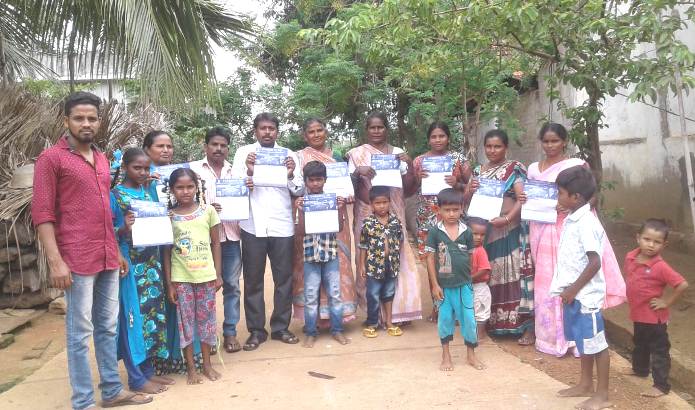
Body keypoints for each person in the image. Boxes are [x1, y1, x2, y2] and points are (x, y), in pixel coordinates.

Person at [32, 91, 151, 409]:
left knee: (108, 326)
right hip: (75, 257)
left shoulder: (101, 158)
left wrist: (117, 251)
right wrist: (55, 261)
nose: (86, 123)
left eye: (92, 118)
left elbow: (104, 211)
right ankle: (83, 401)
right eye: (79, 118)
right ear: (66, 121)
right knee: (79, 331)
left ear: (99, 122)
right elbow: (42, 213)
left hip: (107, 255)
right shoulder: (51, 159)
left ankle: (111, 390)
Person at [522, 123, 625, 357]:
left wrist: (572, 209)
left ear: (564, 142)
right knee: (546, 281)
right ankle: (550, 337)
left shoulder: (575, 166)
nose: (550, 145)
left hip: (566, 228)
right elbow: (531, 196)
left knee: (570, 275)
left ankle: (575, 340)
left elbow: (591, 196)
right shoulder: (533, 168)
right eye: (546, 141)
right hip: (540, 228)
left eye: (555, 141)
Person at [231, 113, 304, 350]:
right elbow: (234, 184)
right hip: (253, 224)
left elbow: (299, 188)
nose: (267, 132)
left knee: (284, 278)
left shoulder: (288, 154)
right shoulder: (244, 153)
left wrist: (290, 174)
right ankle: (256, 331)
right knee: (253, 280)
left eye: (271, 128)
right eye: (263, 128)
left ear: (277, 131)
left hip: (282, 224)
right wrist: (249, 173)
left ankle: (281, 327)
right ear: (255, 131)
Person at [347, 111, 422, 324]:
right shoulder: (356, 155)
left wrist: (409, 166)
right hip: (366, 214)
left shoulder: (398, 153)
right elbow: (348, 189)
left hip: (394, 212)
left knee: (398, 258)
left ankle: (400, 311)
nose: (376, 131)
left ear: (386, 129)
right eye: (372, 127)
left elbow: (409, 188)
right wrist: (357, 173)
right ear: (366, 130)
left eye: (380, 127)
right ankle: (374, 315)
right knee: (369, 260)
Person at [110, 148, 173, 394]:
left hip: (151, 265)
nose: (143, 172)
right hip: (130, 266)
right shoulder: (116, 194)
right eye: (137, 168)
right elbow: (108, 232)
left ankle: (147, 371)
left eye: (147, 168)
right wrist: (124, 228)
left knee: (150, 320)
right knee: (132, 320)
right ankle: (135, 377)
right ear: (125, 167)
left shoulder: (147, 192)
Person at [464, 129, 534, 345]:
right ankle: (490, 322)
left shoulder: (514, 168)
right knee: (489, 275)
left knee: (512, 274)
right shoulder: (478, 170)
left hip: (508, 231)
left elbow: (522, 198)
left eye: (497, 146)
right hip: (485, 233)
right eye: (489, 146)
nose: (492, 150)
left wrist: (507, 218)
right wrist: (470, 188)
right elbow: (465, 199)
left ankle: (521, 325)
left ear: (506, 148)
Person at [550, 165, 611, 410]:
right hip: (573, 294)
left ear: (575, 197)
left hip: (586, 297)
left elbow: (594, 262)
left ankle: (602, 394)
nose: (558, 197)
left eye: (560, 193)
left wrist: (574, 290)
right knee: (583, 341)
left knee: (597, 343)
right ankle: (585, 384)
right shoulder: (573, 218)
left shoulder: (586, 223)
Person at [291, 118, 357, 327]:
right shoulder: (298, 157)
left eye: (320, 130)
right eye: (311, 132)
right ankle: (313, 322)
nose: (316, 134)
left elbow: (347, 186)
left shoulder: (337, 157)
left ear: (326, 132)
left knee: (338, 268)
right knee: (309, 273)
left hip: (335, 222)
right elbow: (295, 187)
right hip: (309, 222)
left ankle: (338, 319)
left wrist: (347, 197)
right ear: (305, 136)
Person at [162, 168, 223, 385]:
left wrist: (218, 274)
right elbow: (167, 251)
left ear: (197, 187)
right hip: (182, 278)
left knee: (207, 322)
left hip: (206, 276)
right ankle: (191, 368)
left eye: (190, 187)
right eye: (180, 187)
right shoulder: (169, 217)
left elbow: (216, 244)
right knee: (185, 324)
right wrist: (170, 283)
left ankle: (207, 365)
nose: (185, 191)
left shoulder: (208, 211)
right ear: (172, 190)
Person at [190, 127, 243, 354]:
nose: (219, 149)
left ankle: (230, 333)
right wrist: (205, 208)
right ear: (206, 146)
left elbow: (245, 200)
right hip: (201, 241)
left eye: (223, 145)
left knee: (232, 286)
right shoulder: (192, 170)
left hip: (230, 237)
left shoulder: (236, 172)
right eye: (214, 144)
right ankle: (207, 338)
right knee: (203, 289)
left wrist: (247, 189)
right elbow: (181, 198)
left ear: (228, 148)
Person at [412, 121, 470, 322]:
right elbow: (412, 188)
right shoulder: (419, 161)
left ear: (448, 138)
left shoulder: (458, 159)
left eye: (441, 136)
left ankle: (456, 308)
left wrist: (458, 184)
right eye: (433, 137)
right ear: (428, 139)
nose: (438, 140)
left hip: (452, 218)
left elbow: (472, 185)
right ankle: (439, 307)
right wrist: (418, 178)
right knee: (432, 260)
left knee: (454, 260)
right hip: (427, 218)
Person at [624, 219, 688, 398]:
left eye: (657, 242)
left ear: (664, 245)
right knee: (640, 343)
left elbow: (682, 284)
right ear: (638, 238)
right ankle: (640, 370)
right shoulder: (630, 257)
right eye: (647, 239)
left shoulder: (661, 267)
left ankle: (661, 386)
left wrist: (666, 302)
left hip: (655, 319)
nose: (651, 245)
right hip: (638, 314)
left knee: (659, 351)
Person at [425, 189, 484, 372]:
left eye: (455, 210)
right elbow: (429, 258)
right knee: (445, 320)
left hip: (464, 285)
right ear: (439, 210)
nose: (451, 214)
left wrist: (468, 278)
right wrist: (435, 284)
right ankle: (446, 355)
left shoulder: (467, 232)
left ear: (461, 209)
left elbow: (470, 256)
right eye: (447, 210)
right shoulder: (435, 232)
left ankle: (471, 355)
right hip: (443, 286)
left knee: (469, 320)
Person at [295, 161, 349, 347]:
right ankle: (311, 332)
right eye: (311, 180)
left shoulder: (331, 200)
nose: (315, 183)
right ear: (305, 181)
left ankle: (337, 330)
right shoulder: (303, 202)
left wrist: (340, 209)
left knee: (335, 294)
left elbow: (339, 227)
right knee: (311, 296)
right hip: (310, 255)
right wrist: (300, 211)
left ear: (325, 180)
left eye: (319, 179)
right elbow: (301, 231)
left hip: (330, 253)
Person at [358, 186, 404, 338]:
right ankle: (372, 323)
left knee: (389, 293)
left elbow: (400, 241)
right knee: (373, 294)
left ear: (389, 202)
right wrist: (362, 265)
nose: (382, 206)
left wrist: (396, 258)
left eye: (385, 202)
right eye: (378, 203)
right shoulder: (368, 223)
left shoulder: (395, 221)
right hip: (373, 266)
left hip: (392, 265)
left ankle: (389, 322)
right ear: (371, 204)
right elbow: (363, 245)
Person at [468, 217, 492, 341]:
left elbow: (485, 269)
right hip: (471, 286)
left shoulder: (480, 251)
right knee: (473, 309)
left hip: (480, 287)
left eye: (482, 235)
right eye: (475, 234)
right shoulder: (468, 249)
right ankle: (475, 333)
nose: (479, 237)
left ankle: (481, 334)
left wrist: (470, 278)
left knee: (480, 311)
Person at [142, 130, 174, 201]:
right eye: (160, 146)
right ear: (147, 149)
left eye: (169, 147)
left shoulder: (179, 171)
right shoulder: (138, 173)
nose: (166, 150)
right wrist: (142, 186)